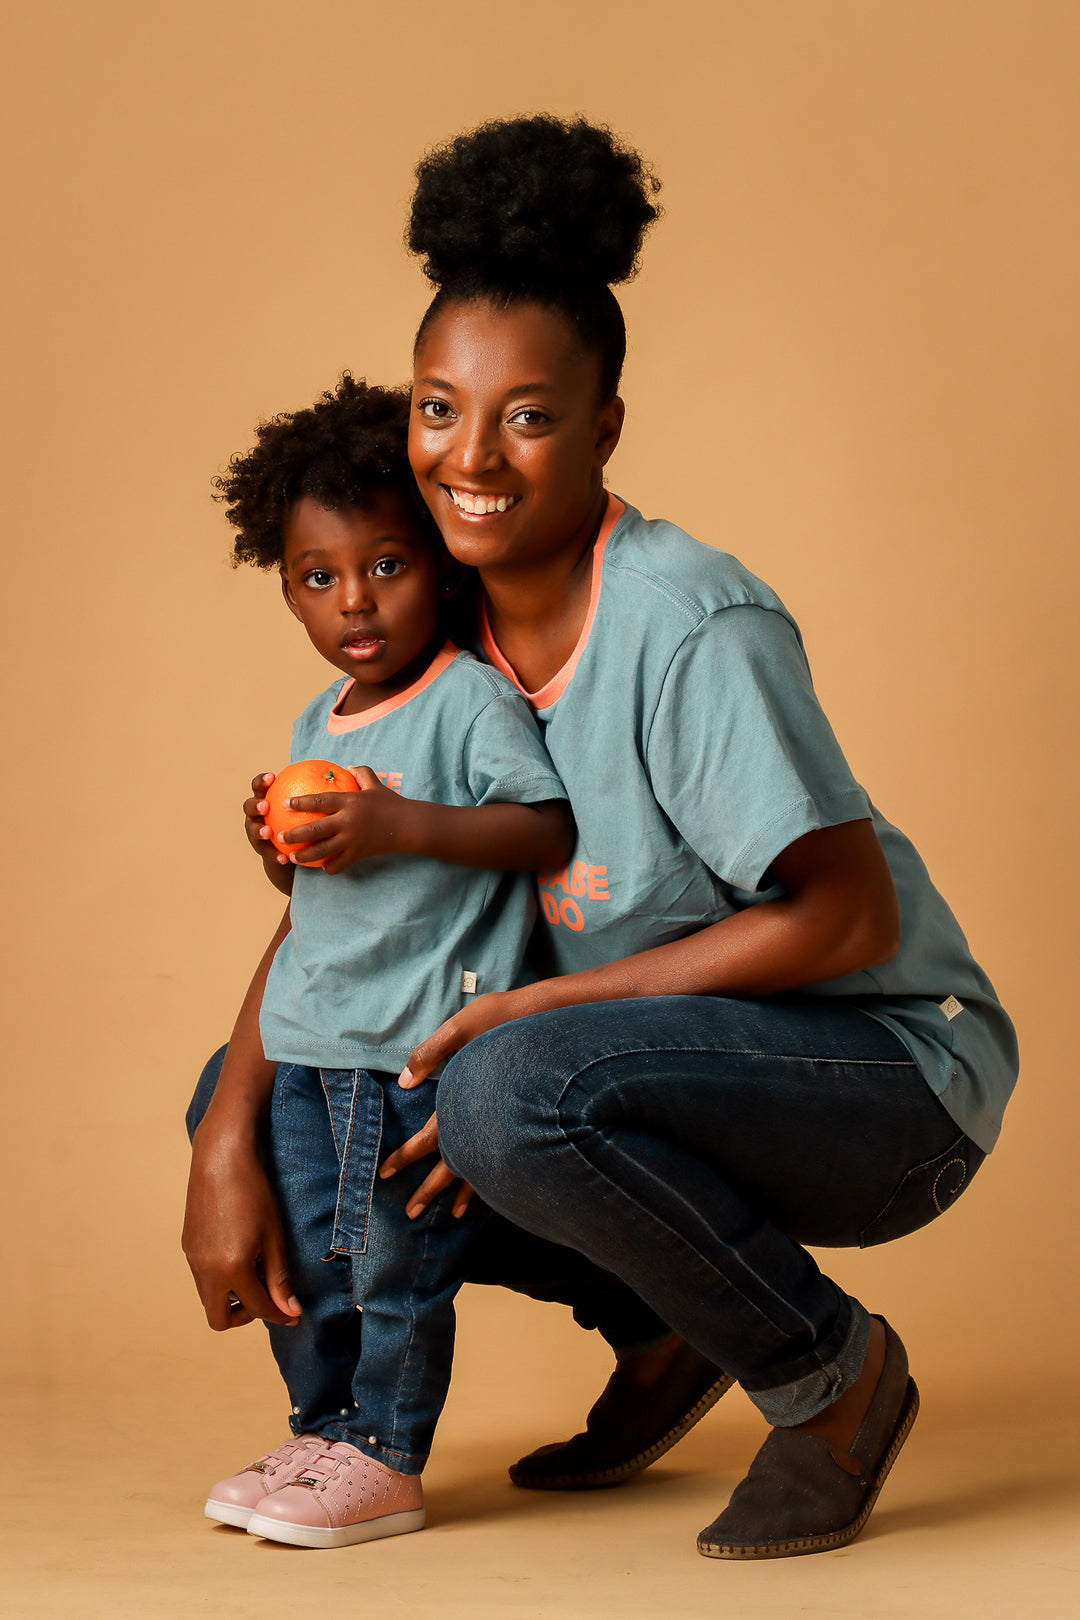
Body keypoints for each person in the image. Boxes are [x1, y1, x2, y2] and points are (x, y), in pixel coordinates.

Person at [371, 114, 1020, 1560]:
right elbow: (356, 912)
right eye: (436, 407)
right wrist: (228, 1117)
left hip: (885, 1077)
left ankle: (833, 1379)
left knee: (504, 1089)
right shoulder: (439, 626)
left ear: (605, 426)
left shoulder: (684, 621)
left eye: (526, 415)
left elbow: (843, 919)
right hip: (653, 1071)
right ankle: (668, 1329)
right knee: (325, 1094)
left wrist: (538, 1007)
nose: (469, 455)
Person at [183, 375, 579, 1548]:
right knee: (311, 1248)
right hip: (312, 1038)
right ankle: (323, 1431)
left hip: (411, 1048)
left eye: (388, 565)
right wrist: (282, 848)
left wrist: (398, 821)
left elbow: (544, 829)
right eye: (318, 577)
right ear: (289, 586)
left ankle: (388, 1454)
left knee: (397, 1262)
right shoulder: (323, 720)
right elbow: (324, 895)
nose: (354, 600)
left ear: (442, 566)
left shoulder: (468, 700)